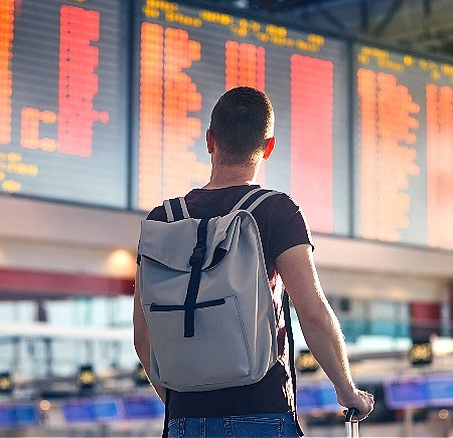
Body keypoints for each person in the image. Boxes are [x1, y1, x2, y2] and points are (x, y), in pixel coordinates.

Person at [133, 86, 374, 437]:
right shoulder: (276, 211)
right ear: (269, 147)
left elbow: (143, 335)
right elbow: (313, 313)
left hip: (185, 418)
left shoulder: (161, 221)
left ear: (210, 140)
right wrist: (347, 390)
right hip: (261, 410)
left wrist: (181, 403)